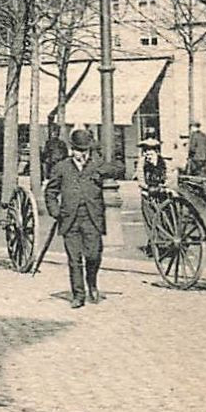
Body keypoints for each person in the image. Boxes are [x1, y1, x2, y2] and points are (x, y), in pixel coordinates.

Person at [43, 128, 121, 309]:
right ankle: (78, 295)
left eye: (85, 151)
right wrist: (55, 211)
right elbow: (50, 192)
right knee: (74, 259)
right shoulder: (61, 167)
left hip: (92, 218)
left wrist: (101, 170)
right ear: (72, 149)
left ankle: (92, 282)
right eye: (78, 150)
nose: (81, 155)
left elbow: (118, 168)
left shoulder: (96, 164)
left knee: (93, 255)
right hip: (69, 219)